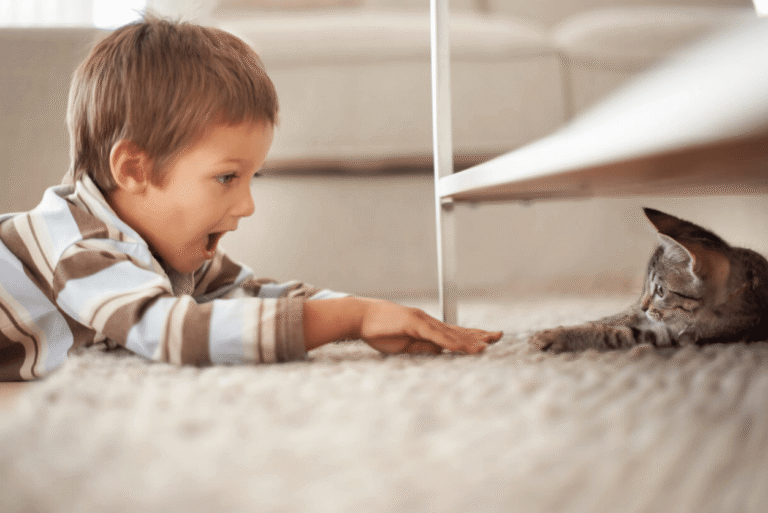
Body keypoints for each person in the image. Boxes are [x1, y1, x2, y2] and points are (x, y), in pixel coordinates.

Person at [0, 15, 501, 382]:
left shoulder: (170, 249)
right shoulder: (78, 246)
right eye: (226, 178)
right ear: (135, 170)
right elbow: (168, 331)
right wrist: (348, 318)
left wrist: (364, 310)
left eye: (252, 177)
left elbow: (253, 294)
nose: (246, 206)